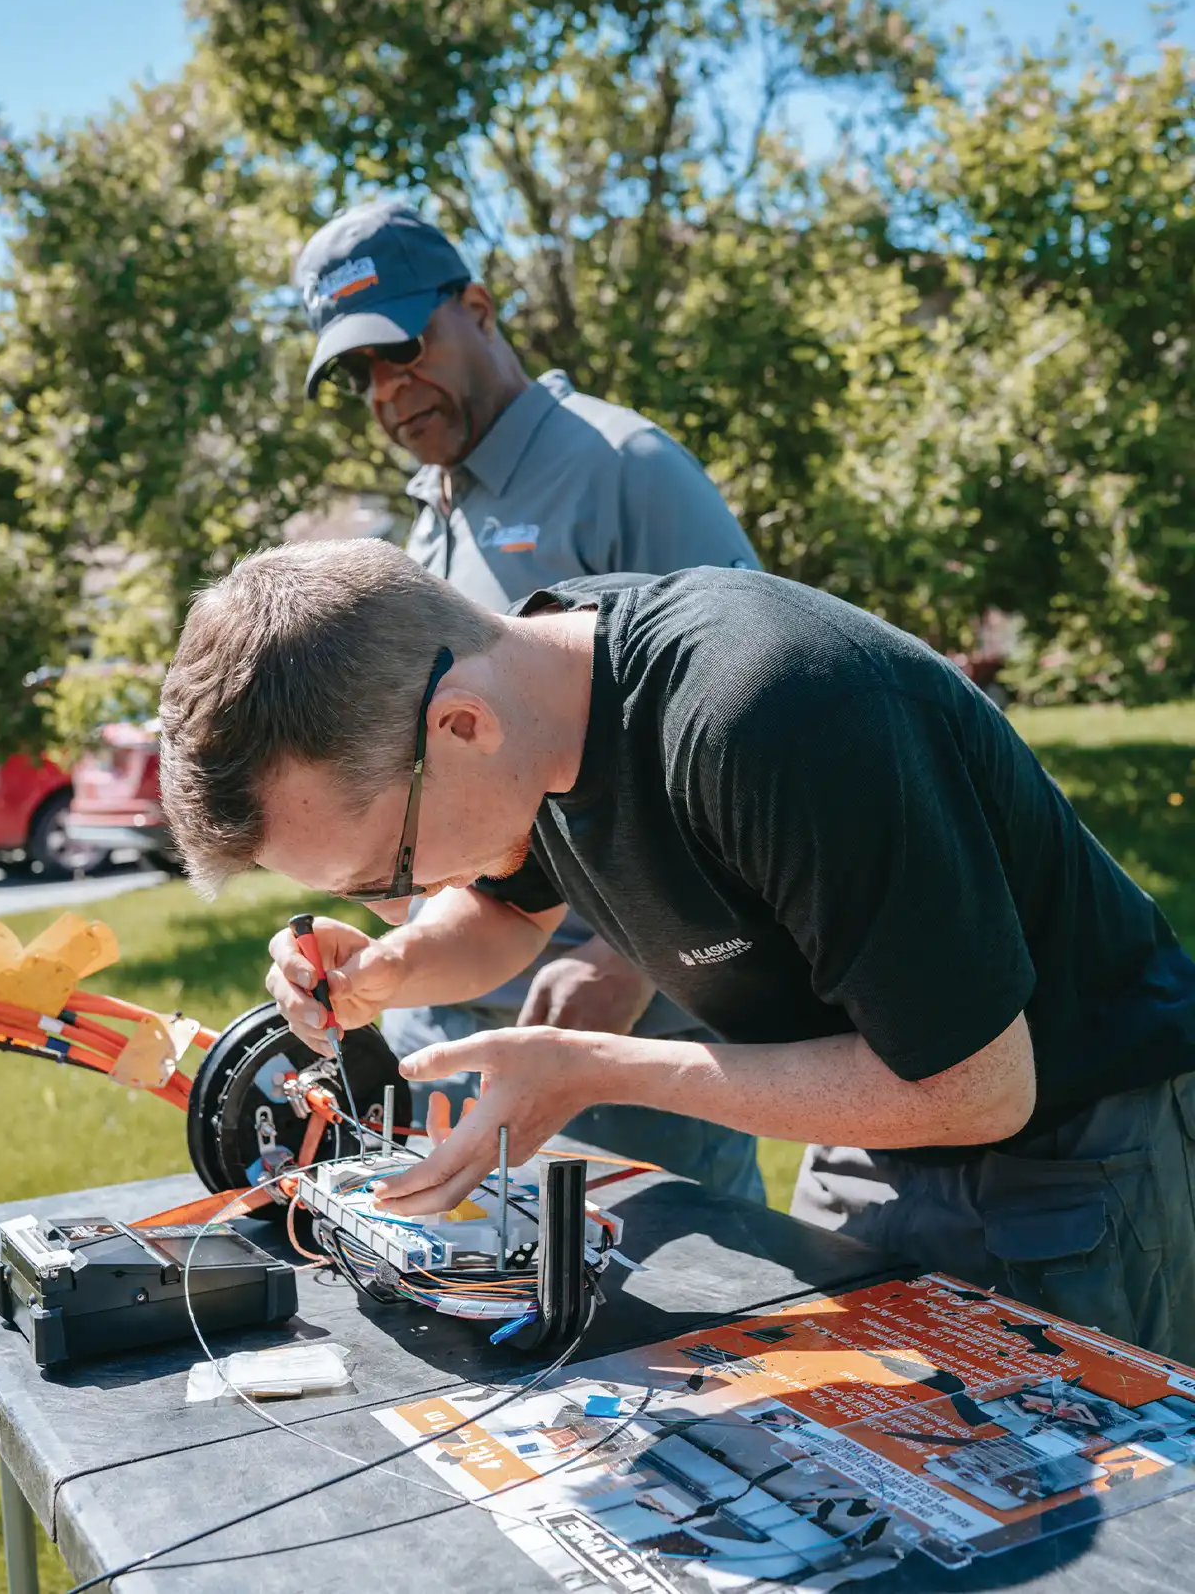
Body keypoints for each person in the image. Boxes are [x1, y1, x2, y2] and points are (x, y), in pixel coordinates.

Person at [158, 542, 1195, 1361]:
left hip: (1072, 1150)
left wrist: (593, 1069)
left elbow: (976, 1088)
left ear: (460, 722)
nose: (396, 901)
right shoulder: (543, 699)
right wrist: (391, 966)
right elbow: (507, 912)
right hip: (873, 1115)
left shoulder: (770, 712)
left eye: (384, 869)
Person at [295, 197, 765, 1201]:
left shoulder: (623, 467)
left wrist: (623, 961)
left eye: (402, 346)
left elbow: (750, 739)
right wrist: (392, 950)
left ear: (480, 306)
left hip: (630, 1029)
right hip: (457, 1014)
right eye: (358, 373)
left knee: (688, 1335)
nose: (387, 388)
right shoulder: (433, 516)